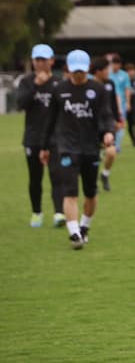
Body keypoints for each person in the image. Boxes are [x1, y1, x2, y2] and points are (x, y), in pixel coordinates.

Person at [40, 50, 115, 249]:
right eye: (75, 71)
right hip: (67, 147)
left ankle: (84, 227)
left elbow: (106, 115)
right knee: (70, 191)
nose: (79, 75)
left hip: (91, 147)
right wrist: (44, 147)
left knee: (90, 193)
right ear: (68, 69)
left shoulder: (99, 89)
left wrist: (108, 132)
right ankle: (74, 233)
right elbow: (50, 120)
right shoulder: (59, 90)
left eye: (82, 71)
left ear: (88, 68)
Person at [16, 44, 65, 228]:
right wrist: (36, 85)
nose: (40, 63)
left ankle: (59, 213)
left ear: (51, 61)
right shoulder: (26, 82)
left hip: (55, 137)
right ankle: (36, 213)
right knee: (35, 178)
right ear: (33, 61)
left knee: (57, 175)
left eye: (44, 59)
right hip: (33, 137)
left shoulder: (59, 83)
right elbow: (21, 104)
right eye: (37, 59)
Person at [91, 57, 122, 192]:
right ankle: (93, 182)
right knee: (94, 156)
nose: (108, 72)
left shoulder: (110, 83)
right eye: (105, 70)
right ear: (98, 71)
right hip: (92, 125)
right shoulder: (89, 85)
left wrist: (118, 119)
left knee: (111, 153)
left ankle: (105, 174)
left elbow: (113, 103)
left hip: (107, 124)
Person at [108, 54, 131, 155]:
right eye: (113, 64)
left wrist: (128, 103)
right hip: (109, 103)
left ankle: (117, 145)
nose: (115, 66)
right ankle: (110, 143)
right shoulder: (108, 74)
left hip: (121, 103)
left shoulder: (124, 75)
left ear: (120, 65)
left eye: (117, 64)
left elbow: (127, 89)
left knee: (120, 124)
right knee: (110, 124)